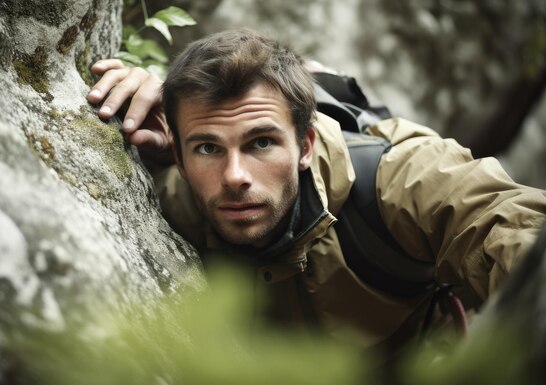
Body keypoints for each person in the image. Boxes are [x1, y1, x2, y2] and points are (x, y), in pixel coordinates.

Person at [87, 28, 546, 358]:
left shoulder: (399, 179)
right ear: (181, 159)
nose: (234, 176)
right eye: (207, 147)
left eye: (261, 142)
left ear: (305, 145)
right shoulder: (170, 201)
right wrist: (130, 127)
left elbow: (502, 222)